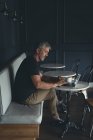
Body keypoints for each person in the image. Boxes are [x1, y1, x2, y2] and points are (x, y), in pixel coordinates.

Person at [13, 42, 65, 124]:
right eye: (45, 52)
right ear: (38, 50)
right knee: (51, 90)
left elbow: (41, 77)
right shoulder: (31, 63)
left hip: (24, 94)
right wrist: (56, 84)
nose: (47, 55)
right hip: (25, 97)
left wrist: (56, 79)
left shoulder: (31, 60)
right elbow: (38, 84)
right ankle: (56, 114)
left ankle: (56, 114)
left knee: (51, 91)